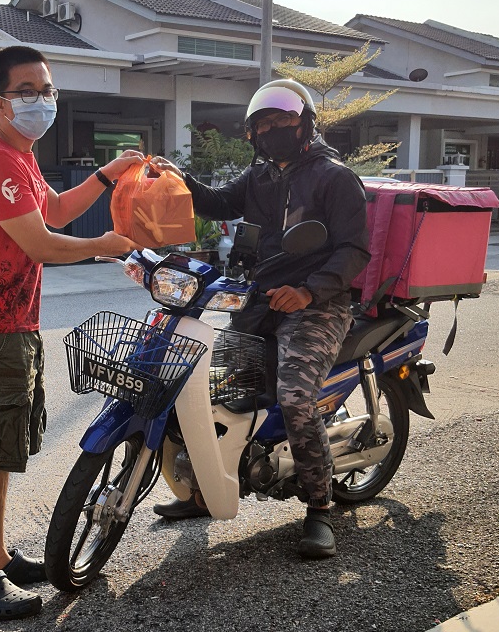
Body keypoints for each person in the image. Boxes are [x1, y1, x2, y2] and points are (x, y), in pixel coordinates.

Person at [0, 45, 140, 620]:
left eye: (48, 89)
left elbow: (52, 211)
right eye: (28, 90)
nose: (42, 99)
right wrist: (105, 246)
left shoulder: (21, 156)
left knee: (1, 450)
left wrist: (107, 174)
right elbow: (43, 244)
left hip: (14, 326)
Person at [151, 79, 370, 558]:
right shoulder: (261, 177)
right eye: (262, 124)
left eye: (281, 121)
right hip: (260, 301)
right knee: (205, 387)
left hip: (318, 306)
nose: (271, 130)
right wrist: (176, 176)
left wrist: (310, 290)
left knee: (294, 398)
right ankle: (204, 489)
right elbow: (215, 203)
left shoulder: (335, 177)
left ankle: (318, 508)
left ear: (305, 124)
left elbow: (356, 250)